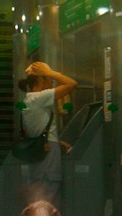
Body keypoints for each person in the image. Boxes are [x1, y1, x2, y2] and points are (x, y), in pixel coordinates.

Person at [15, 58, 78, 206]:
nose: (52, 82)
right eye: (49, 79)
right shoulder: (39, 98)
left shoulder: (28, 100)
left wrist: (58, 141)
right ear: (41, 79)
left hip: (41, 154)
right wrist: (50, 72)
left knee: (40, 200)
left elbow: (38, 130)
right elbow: (72, 84)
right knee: (48, 202)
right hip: (48, 157)